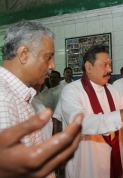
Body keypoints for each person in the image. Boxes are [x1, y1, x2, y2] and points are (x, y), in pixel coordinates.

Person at [53, 45, 123, 178]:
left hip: (111, 158)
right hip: (85, 162)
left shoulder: (112, 91)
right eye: (104, 65)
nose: (110, 69)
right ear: (88, 66)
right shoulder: (72, 90)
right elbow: (80, 124)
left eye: (110, 65)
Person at [0, 20, 84, 177]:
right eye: (48, 57)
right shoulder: (3, 98)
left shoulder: (20, 95)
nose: (53, 65)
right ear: (23, 54)